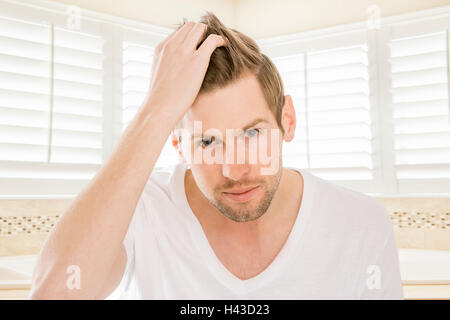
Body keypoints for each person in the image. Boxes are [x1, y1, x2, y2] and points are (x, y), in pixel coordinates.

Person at [29, 12, 403, 300]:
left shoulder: (362, 225)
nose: (234, 169)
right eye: (207, 142)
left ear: (287, 120)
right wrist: (156, 110)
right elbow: (53, 292)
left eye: (252, 133)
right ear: (177, 144)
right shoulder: (141, 213)